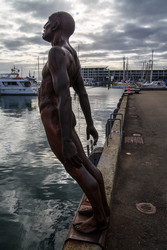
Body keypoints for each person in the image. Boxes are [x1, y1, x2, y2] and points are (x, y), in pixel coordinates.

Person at [38, 11, 110, 234]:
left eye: (48, 23)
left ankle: (100, 221)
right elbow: (82, 92)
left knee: (76, 169)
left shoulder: (56, 52)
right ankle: (103, 209)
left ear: (56, 24)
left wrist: (67, 141)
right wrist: (89, 123)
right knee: (87, 165)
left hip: (54, 117)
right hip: (64, 118)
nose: (44, 26)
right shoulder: (72, 54)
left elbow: (65, 94)